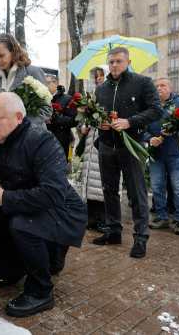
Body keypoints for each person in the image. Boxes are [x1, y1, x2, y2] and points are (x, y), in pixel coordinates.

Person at [0, 92, 87, 318]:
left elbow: (53, 193)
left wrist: (3, 198)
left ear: (18, 117)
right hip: (29, 205)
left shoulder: (41, 140)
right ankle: (36, 254)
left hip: (62, 210)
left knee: (20, 224)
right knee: (2, 271)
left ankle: (41, 290)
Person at [92, 47, 161, 258]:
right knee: (109, 190)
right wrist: (99, 123)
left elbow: (156, 110)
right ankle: (113, 231)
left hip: (130, 145)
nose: (114, 65)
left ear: (128, 61)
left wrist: (130, 121)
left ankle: (141, 238)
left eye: (118, 61)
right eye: (111, 62)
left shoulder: (142, 83)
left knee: (136, 193)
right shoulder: (101, 89)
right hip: (106, 145)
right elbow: (96, 114)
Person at [146, 78, 179, 236]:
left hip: (177, 153)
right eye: (156, 86)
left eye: (163, 85)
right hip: (156, 153)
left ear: (171, 88)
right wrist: (149, 138)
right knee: (156, 187)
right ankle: (161, 217)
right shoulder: (150, 106)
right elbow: (141, 127)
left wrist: (177, 128)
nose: (159, 88)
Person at [0, 33, 52, 127]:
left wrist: (22, 127)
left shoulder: (32, 72)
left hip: (30, 137)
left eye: (1, 55)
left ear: (13, 52)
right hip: (3, 138)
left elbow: (46, 109)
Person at [78, 66, 108, 232]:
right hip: (91, 140)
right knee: (90, 179)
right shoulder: (91, 97)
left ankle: (104, 218)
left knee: (103, 180)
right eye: (95, 76)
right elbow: (85, 119)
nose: (98, 79)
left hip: (105, 139)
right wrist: (83, 126)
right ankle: (91, 217)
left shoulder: (112, 94)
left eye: (101, 75)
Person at [47, 85, 77, 161]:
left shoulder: (67, 98)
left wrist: (55, 118)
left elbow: (74, 121)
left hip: (61, 141)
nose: (49, 84)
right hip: (43, 141)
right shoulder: (38, 97)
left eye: (52, 81)